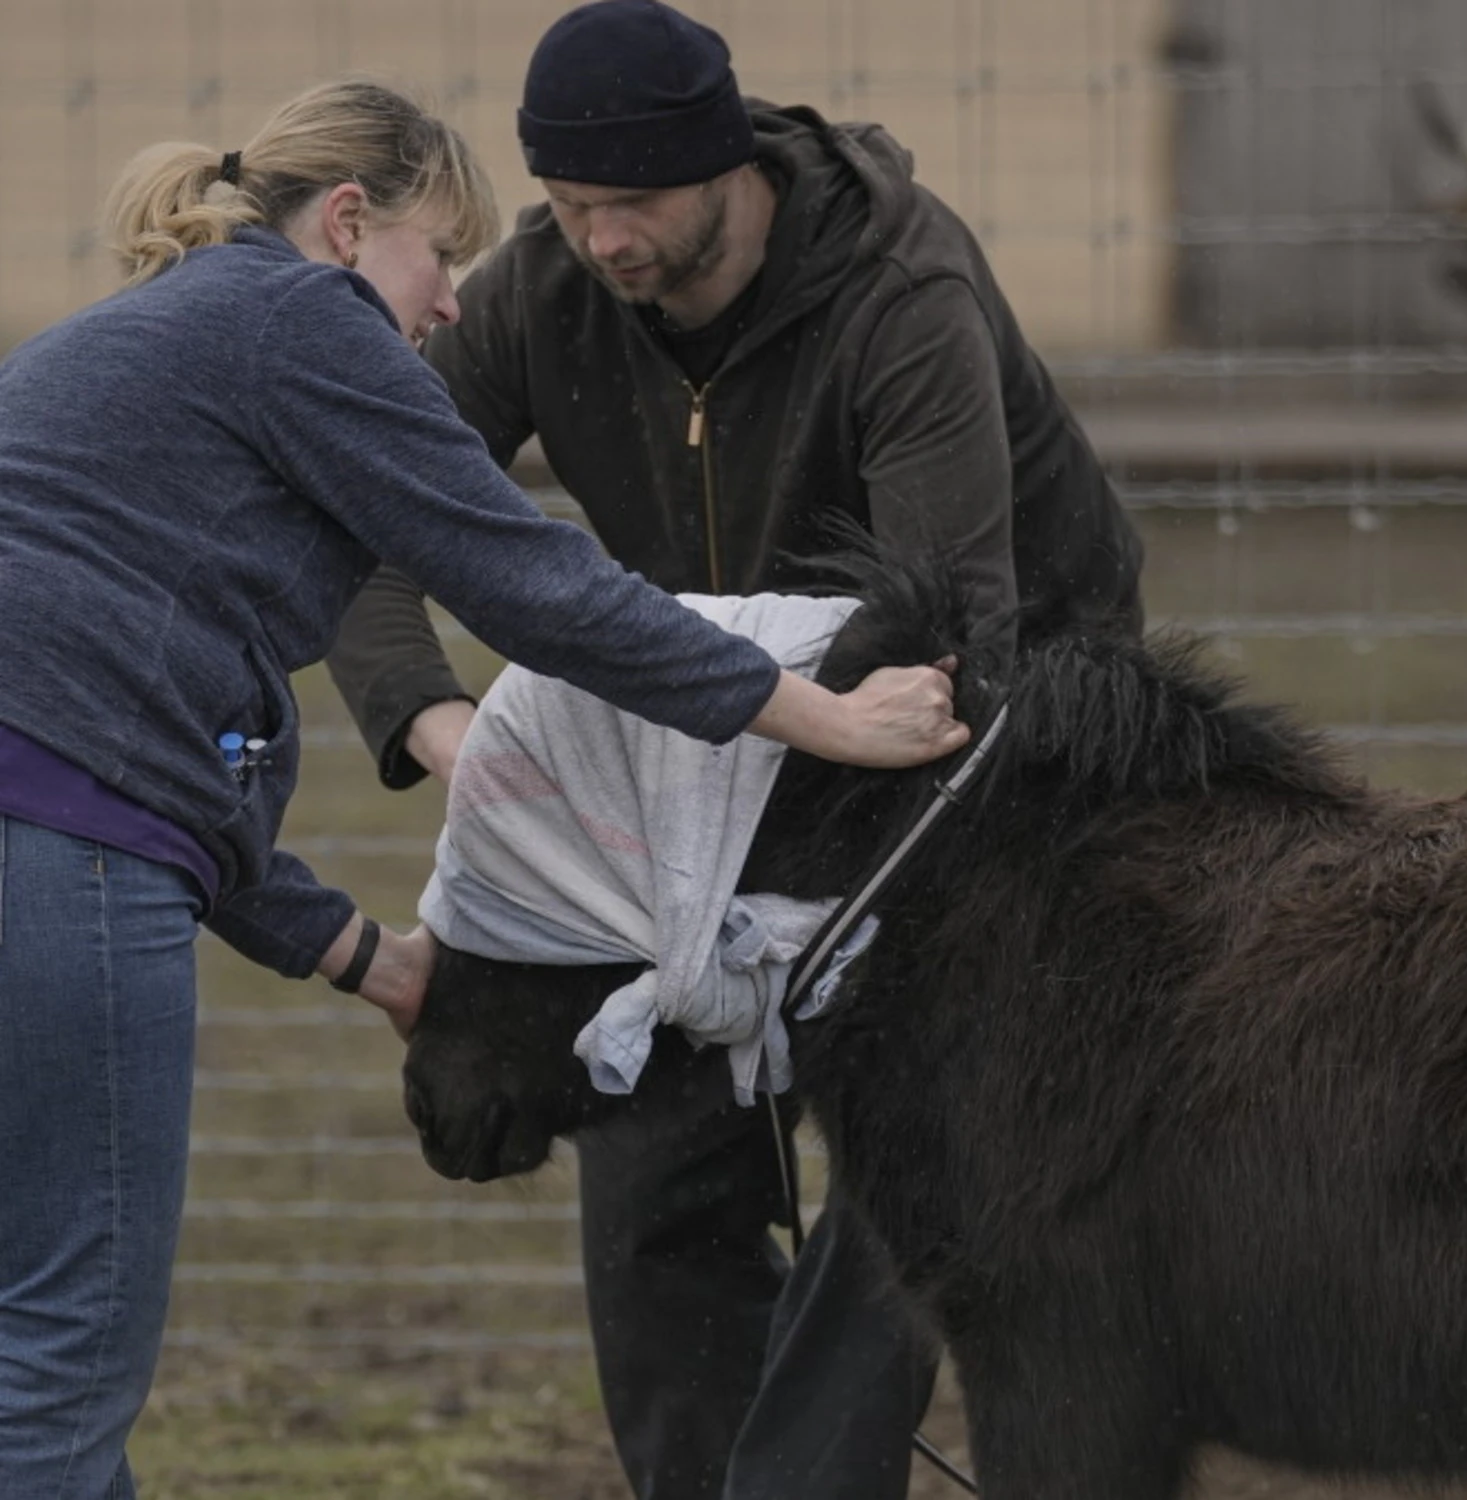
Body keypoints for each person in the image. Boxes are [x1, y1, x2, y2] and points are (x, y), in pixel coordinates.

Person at [0, 77, 969, 1500]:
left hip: (56, 820)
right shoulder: (297, 320)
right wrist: (816, 714)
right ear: (346, 225)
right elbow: (533, 584)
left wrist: (365, 959)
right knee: (63, 1351)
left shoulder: (153, 348)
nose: (450, 304)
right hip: (54, 848)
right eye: (436, 256)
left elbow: (152, 743)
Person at [323, 4, 1146, 1497]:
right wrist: (444, 730)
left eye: (632, 203)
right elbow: (375, 519)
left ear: (726, 172)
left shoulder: (902, 294)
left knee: (906, 1156)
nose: (603, 241)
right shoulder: (539, 295)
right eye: (570, 207)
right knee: (650, 1155)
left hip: (994, 737)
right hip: (713, 754)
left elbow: (940, 636)